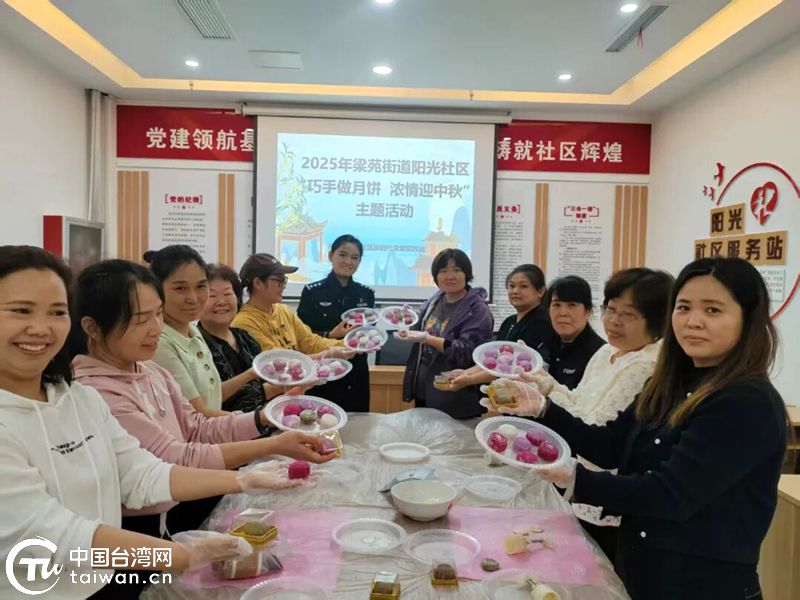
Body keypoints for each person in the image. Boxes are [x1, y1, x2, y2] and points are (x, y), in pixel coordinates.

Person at [0, 246, 331, 599]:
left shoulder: (78, 399)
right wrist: (179, 555)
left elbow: (142, 474)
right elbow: (56, 539)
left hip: (102, 581)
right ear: (92, 328)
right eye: (21, 310)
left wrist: (244, 479)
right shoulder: (80, 393)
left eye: (56, 312)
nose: (41, 328)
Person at [491, 257, 788, 600]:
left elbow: (670, 494)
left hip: (702, 585)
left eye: (713, 310)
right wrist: (544, 409)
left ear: (748, 319)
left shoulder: (745, 401)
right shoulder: (670, 383)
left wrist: (574, 478)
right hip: (645, 573)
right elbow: (609, 446)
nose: (693, 321)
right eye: (684, 307)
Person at [70, 258, 334, 544]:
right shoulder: (94, 391)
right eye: (140, 319)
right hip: (127, 531)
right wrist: (267, 452)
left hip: (166, 516)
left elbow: (197, 427)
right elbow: (175, 458)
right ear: (92, 328)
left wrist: (263, 418)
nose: (155, 328)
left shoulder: (151, 370)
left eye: (157, 314)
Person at [522, 267, 673, 559]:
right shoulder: (607, 352)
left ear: (657, 320)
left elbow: (596, 431)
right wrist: (544, 383)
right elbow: (579, 401)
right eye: (611, 309)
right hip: (578, 475)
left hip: (606, 490)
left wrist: (544, 404)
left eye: (628, 315)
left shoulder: (645, 366)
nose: (614, 321)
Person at [397, 248, 493, 419]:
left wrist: (428, 339)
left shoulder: (477, 309)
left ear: (467, 274)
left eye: (456, 270)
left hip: (455, 396)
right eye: (443, 271)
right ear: (436, 276)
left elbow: (467, 353)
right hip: (425, 390)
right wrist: (406, 319)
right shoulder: (437, 299)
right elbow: (419, 329)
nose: (450, 276)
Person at [446, 264, 556, 392]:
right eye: (511, 286)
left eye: (523, 286)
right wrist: (466, 372)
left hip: (526, 394)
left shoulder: (542, 323)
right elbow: (497, 360)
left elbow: (514, 369)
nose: (515, 291)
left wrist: (469, 379)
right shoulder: (509, 322)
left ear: (540, 291)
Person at [144, 245, 226, 417]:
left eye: (201, 286)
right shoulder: (159, 343)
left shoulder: (192, 331)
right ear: (156, 289)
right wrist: (261, 419)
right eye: (180, 288)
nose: (193, 298)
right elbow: (198, 415)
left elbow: (210, 395)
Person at [297, 235, 374, 412]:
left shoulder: (366, 294)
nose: (348, 262)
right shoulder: (312, 292)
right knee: (322, 420)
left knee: (357, 422)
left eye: (354, 257)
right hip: (324, 371)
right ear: (331, 255)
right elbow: (301, 335)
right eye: (343, 255)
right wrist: (330, 335)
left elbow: (370, 331)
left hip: (356, 371)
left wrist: (371, 342)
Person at [231, 253, 349, 360]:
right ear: (258, 283)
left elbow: (311, 342)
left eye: (284, 280)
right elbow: (277, 361)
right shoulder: (243, 323)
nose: (284, 286)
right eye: (279, 280)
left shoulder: (283, 310)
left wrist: (348, 344)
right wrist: (326, 355)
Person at [198, 264, 275, 413]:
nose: (221, 302)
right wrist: (268, 389)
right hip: (223, 425)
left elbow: (265, 381)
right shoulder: (195, 345)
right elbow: (209, 400)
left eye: (228, 294)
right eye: (212, 296)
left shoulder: (245, 337)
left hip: (265, 419)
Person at [545, 275, 606, 389]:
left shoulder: (599, 354)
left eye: (572, 305)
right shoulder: (544, 345)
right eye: (556, 305)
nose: (563, 313)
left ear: (588, 311)